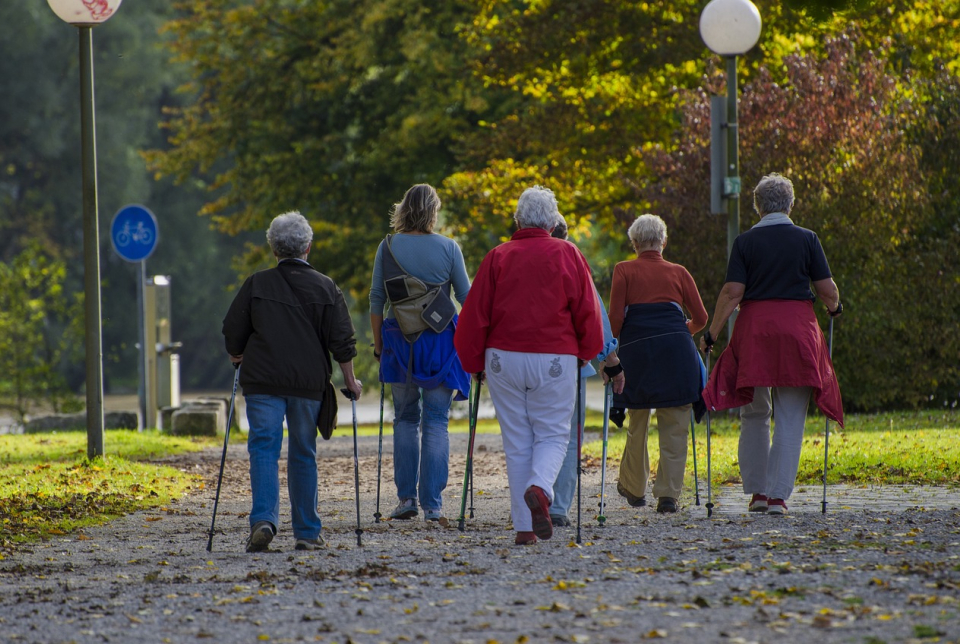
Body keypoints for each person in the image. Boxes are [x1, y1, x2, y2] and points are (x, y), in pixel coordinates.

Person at [455, 185, 603, 545]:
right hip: (554, 356)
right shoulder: (569, 253)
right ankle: (540, 487)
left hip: (503, 357)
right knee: (553, 434)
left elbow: (475, 315)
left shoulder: (497, 256)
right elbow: (588, 312)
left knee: (517, 440)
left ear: (517, 219)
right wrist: (587, 351)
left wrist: (474, 362)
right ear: (553, 221)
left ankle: (524, 528)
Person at [700, 173, 844, 515]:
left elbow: (732, 292)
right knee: (791, 414)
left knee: (754, 411)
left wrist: (712, 334)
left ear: (757, 207)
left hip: (755, 332)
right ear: (790, 204)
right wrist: (835, 308)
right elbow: (827, 290)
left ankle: (758, 493)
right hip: (798, 331)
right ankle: (779, 496)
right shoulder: (807, 239)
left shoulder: (745, 242)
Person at [223, 211, 361, 552]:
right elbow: (342, 340)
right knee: (303, 452)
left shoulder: (257, 284)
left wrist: (236, 353)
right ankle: (308, 532)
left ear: (273, 248)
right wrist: (351, 381)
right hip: (307, 385)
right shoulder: (326, 286)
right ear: (308, 248)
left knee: (263, 449)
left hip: (263, 383)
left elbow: (232, 328)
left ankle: (264, 521)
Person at [370, 184, 471, 523]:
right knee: (437, 421)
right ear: (433, 211)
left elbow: (376, 300)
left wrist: (379, 344)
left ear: (403, 210)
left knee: (405, 418)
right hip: (441, 342)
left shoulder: (387, 248)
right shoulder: (449, 248)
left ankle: (405, 499)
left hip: (399, 341)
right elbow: (466, 299)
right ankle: (433, 505)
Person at [609, 214, 708, 514]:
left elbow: (615, 320)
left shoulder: (623, 270)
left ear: (635, 243)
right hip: (676, 354)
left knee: (637, 421)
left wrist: (611, 352)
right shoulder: (679, 272)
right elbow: (701, 318)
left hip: (637, 353)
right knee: (676, 423)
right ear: (663, 242)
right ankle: (668, 496)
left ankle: (634, 487)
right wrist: (679, 333)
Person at [548, 218, 624, 528]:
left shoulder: (513, 257)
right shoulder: (573, 260)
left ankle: (533, 498)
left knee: (533, 434)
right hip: (569, 363)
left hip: (522, 360)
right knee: (568, 436)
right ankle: (558, 506)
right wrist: (611, 361)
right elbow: (594, 313)